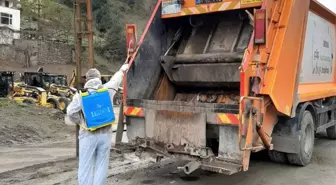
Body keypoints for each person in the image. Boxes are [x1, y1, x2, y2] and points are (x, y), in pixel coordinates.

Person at [66, 64, 129, 185]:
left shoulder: (81, 95)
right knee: (102, 164)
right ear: (99, 78)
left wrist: (80, 121)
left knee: (85, 166)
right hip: (105, 135)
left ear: (87, 80)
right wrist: (122, 70)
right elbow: (116, 80)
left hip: (88, 135)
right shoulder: (107, 90)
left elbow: (70, 112)